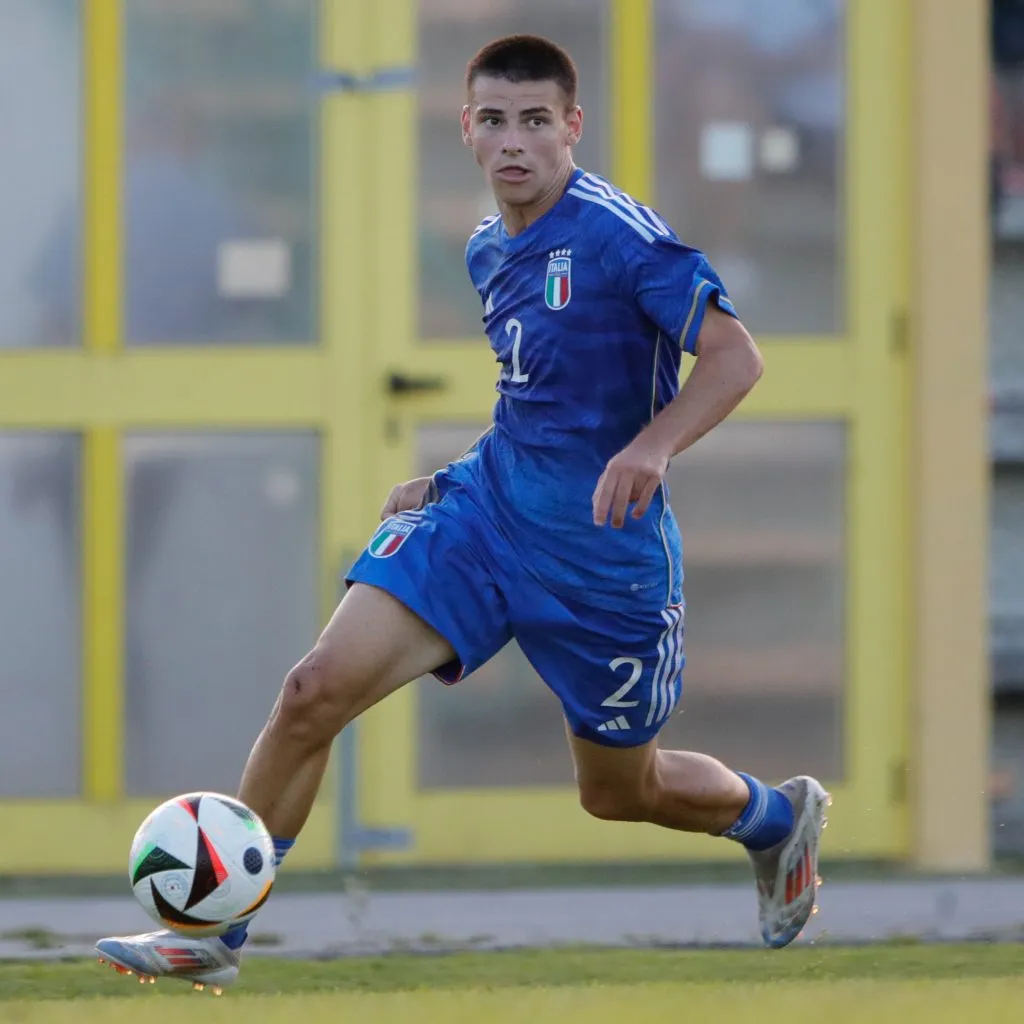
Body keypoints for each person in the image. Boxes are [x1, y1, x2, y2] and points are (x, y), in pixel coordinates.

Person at [95, 34, 828, 990]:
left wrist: (651, 447)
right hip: (485, 522)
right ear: (467, 130)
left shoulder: (622, 238)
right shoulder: (490, 247)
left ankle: (776, 821)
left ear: (573, 125)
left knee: (619, 793)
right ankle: (213, 934)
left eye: (535, 121)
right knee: (313, 691)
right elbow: (535, 403)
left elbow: (736, 357)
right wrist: (451, 478)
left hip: (604, 561)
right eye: (494, 121)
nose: (514, 141)